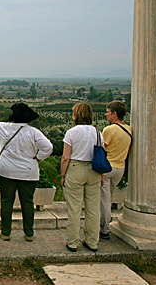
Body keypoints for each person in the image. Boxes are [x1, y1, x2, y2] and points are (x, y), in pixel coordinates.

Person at [0, 103, 53, 242]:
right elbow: (48, 147)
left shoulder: (4, 128)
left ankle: (6, 232)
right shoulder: (34, 132)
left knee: (7, 201)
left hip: (6, 170)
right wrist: (39, 157)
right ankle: (29, 233)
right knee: (27, 201)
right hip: (28, 171)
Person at [61, 103, 103, 252]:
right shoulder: (98, 133)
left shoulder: (71, 132)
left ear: (76, 115)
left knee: (74, 208)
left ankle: (72, 242)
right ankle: (92, 241)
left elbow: (66, 157)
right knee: (93, 209)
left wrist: (63, 175)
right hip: (94, 170)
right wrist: (101, 176)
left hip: (76, 168)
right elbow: (101, 155)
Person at [100, 100, 132, 240]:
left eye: (108, 112)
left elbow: (102, 149)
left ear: (115, 114)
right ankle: (106, 225)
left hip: (107, 167)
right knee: (109, 197)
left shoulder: (109, 130)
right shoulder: (129, 130)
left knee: (104, 200)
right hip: (120, 168)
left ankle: (104, 229)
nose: (106, 114)